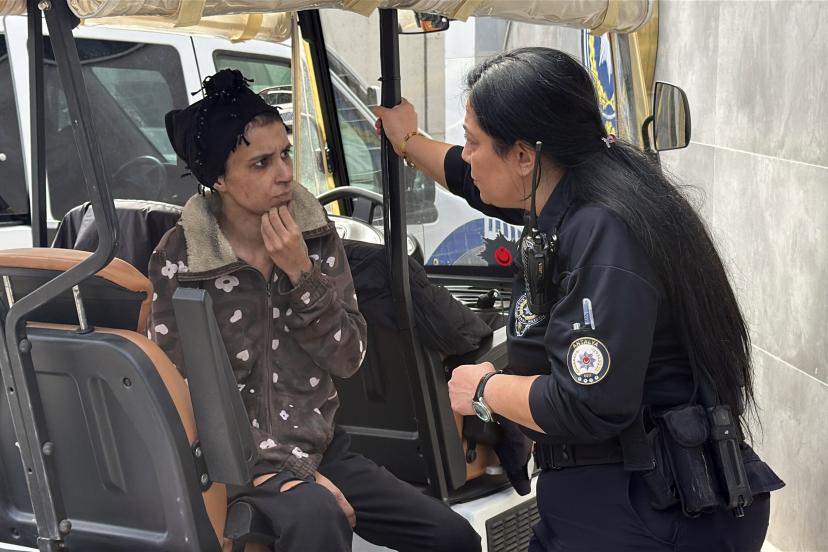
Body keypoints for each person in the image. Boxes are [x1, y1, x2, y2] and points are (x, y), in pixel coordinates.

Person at [373, 47, 784, 552]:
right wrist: (407, 140)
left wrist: (484, 388)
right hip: (616, 498)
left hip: (647, 515)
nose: (467, 154)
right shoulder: (575, 184)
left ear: (524, 156)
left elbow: (588, 402)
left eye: (473, 141)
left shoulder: (602, 231)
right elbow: (468, 177)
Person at [149, 68, 481, 552]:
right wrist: (287, 470)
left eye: (285, 153)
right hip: (230, 463)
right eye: (261, 163)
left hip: (320, 448)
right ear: (218, 178)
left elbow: (348, 357)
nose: (285, 173)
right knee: (318, 517)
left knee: (453, 537)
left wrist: (301, 274)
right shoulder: (182, 257)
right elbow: (177, 389)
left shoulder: (316, 238)